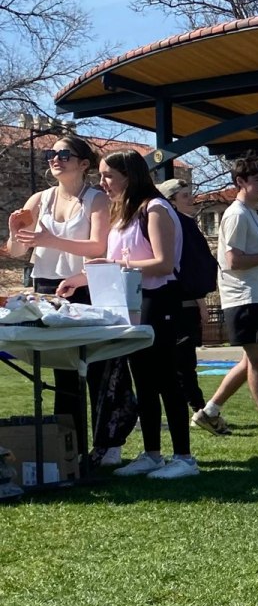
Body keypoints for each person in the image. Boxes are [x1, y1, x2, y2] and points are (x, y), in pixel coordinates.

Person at [57, 150, 198, 479]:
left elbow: (163, 263)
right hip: (131, 302)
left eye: (108, 175)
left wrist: (118, 266)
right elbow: (112, 261)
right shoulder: (123, 211)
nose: (102, 182)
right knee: (143, 382)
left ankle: (184, 458)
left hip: (159, 299)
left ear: (129, 175)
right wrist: (76, 281)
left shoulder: (156, 208)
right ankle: (151, 454)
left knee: (166, 380)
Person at [7, 134, 133, 467]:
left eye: (64, 154)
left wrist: (52, 238)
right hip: (48, 289)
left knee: (99, 367)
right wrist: (13, 231)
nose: (55, 158)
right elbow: (20, 251)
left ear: (83, 164)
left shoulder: (96, 200)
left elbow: (98, 247)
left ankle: (108, 444)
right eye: (51, 153)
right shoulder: (39, 199)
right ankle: (69, 447)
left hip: (87, 286)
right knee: (63, 370)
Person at [192, 153, 258, 441]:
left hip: (256, 295)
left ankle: (209, 412)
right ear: (241, 181)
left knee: (249, 362)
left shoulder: (255, 214)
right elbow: (234, 260)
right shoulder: (237, 214)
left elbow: (257, 258)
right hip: (243, 298)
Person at [155, 178, 219, 427]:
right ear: (170, 201)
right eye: (184, 196)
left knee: (181, 363)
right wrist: (201, 302)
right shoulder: (173, 225)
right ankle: (198, 409)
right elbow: (187, 270)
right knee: (180, 363)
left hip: (185, 304)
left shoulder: (185, 226)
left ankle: (196, 408)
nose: (191, 199)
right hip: (177, 304)